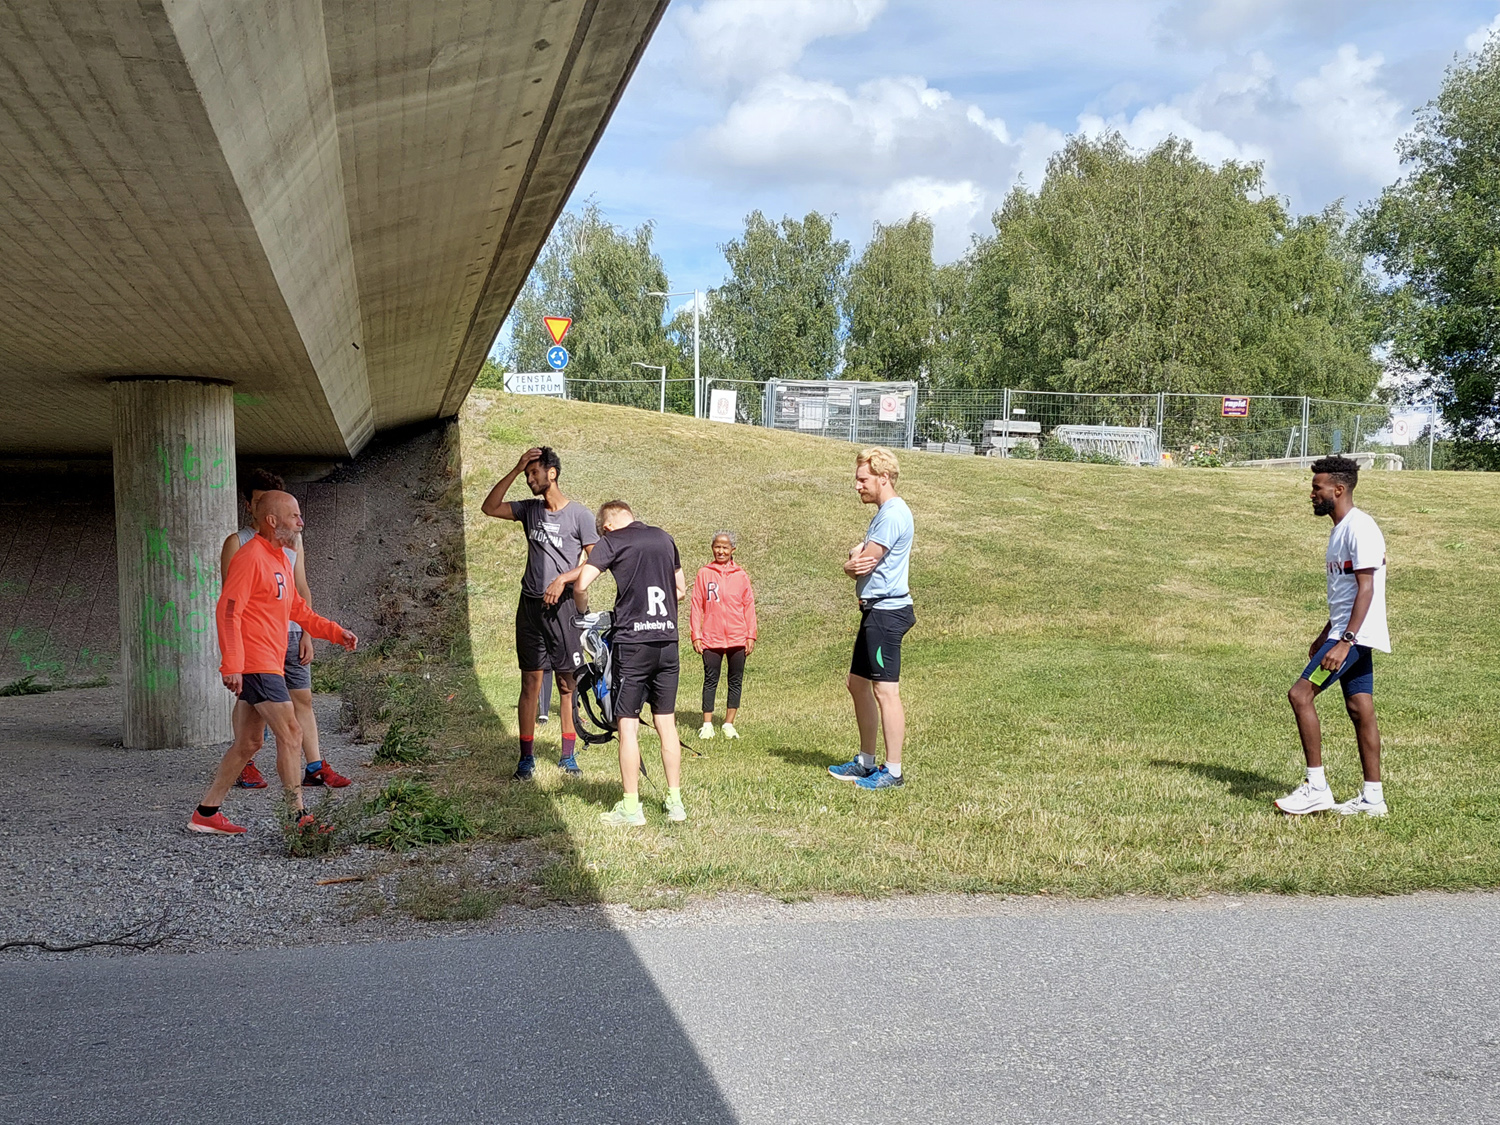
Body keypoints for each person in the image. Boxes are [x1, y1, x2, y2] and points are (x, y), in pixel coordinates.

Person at [189, 492, 358, 835]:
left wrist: (335, 632)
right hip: (257, 662)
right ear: (272, 521)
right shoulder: (249, 557)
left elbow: (298, 610)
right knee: (291, 731)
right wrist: (232, 664)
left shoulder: (282, 558)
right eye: (294, 516)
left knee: (249, 743)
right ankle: (297, 819)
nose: (301, 522)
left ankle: (206, 813)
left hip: (270, 661)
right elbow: (228, 610)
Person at [1275, 455, 1391, 817]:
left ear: (1338, 490)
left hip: (1353, 638)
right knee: (1360, 709)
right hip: (1346, 633)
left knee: (1300, 694)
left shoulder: (1361, 527)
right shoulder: (1339, 530)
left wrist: (1344, 640)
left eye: (1317, 488)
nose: (1312, 494)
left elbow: (1367, 589)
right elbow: (1344, 595)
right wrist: (1326, 631)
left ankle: (1316, 788)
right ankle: (1373, 799)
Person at [221, 469, 351, 792]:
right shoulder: (240, 544)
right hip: (259, 642)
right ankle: (256, 775)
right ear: (253, 507)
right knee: (259, 710)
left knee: (301, 699)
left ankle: (314, 767)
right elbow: (232, 604)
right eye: (258, 500)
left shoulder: (290, 542)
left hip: (290, 632)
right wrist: (235, 660)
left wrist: (310, 633)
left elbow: (299, 590)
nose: (298, 521)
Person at [481, 446, 597, 779]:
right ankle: (526, 758)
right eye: (528, 474)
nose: (530, 479)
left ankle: (567, 755)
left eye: (535, 473)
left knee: (565, 683)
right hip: (530, 606)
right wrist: (516, 468)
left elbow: (595, 561)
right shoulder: (530, 510)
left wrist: (564, 579)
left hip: (562, 610)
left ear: (553, 473)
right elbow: (489, 507)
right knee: (530, 682)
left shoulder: (580, 515)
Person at [573, 501, 686, 826]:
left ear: (606, 526)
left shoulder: (612, 541)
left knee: (628, 725)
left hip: (633, 644)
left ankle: (631, 807)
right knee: (666, 723)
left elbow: (581, 584)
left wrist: (583, 612)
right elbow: (679, 589)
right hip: (667, 641)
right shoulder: (664, 538)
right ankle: (675, 803)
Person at [828, 447, 915, 791]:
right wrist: (856, 556)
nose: (857, 486)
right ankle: (865, 762)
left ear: (884, 478)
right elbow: (860, 559)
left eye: (863, 479)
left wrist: (853, 559)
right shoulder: (884, 513)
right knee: (857, 683)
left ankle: (892, 771)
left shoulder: (894, 513)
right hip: (873, 611)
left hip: (887, 613)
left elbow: (862, 562)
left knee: (886, 691)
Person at [690, 530, 757, 740]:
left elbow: (749, 606)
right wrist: (696, 635)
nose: (721, 551)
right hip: (712, 637)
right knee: (710, 679)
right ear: (712, 548)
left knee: (735, 680)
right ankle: (707, 724)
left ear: (732, 550)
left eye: (725, 547)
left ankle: (729, 723)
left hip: (738, 637)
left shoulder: (741, 575)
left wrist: (750, 635)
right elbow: (696, 605)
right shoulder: (704, 573)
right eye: (717, 546)